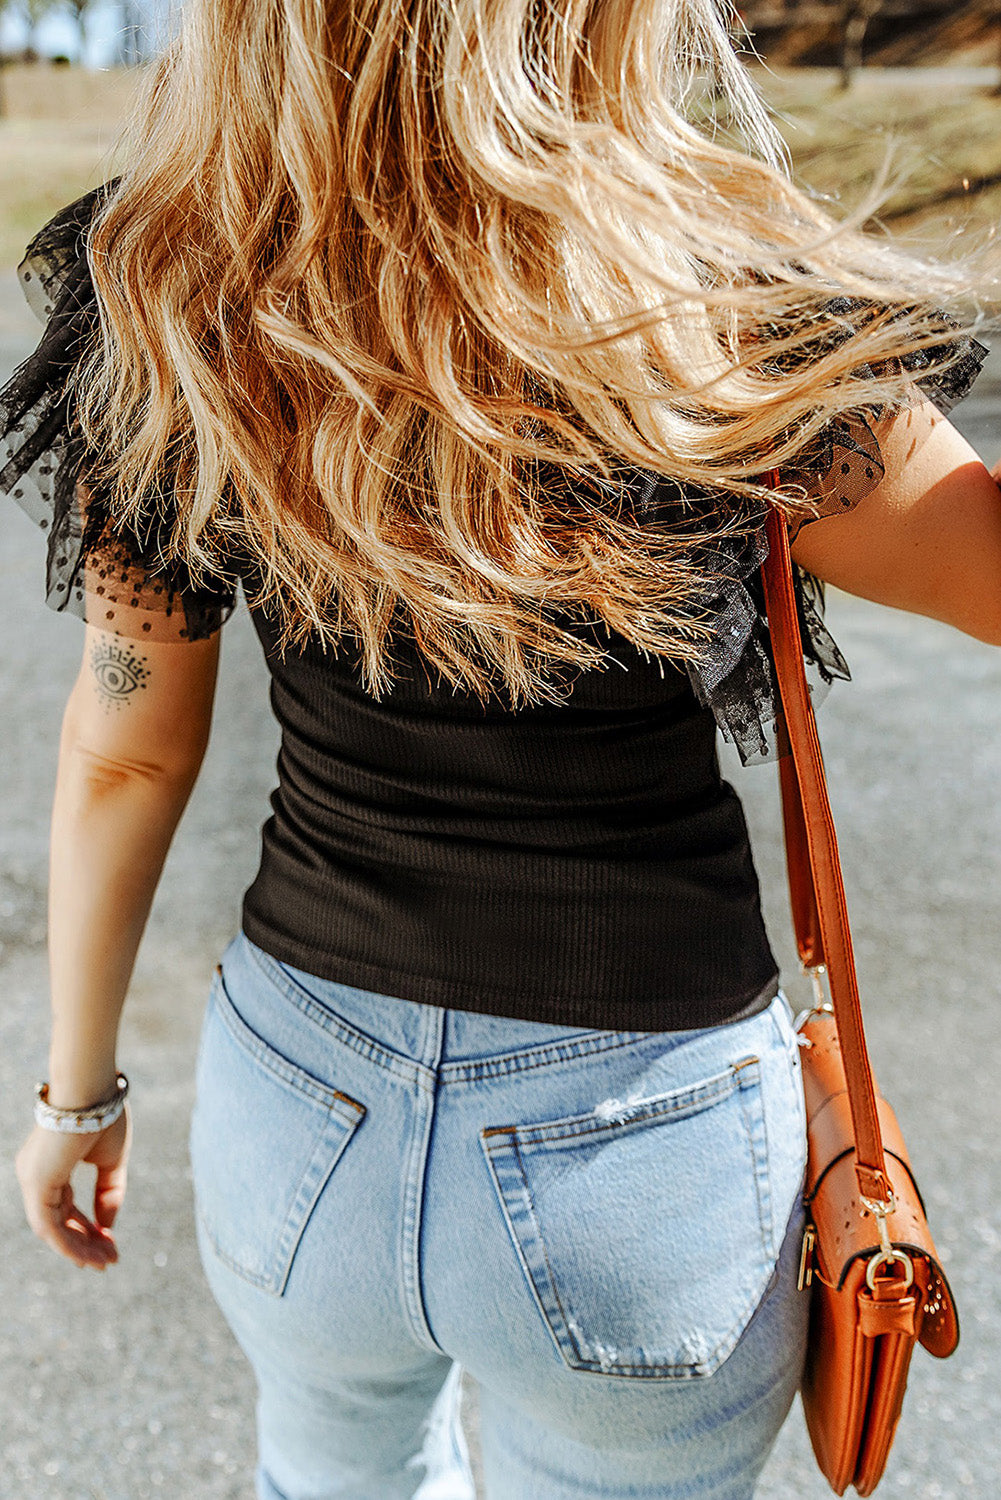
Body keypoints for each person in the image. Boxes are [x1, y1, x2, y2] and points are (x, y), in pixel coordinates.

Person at [3, 1, 1000, 1496]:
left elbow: (125, 751)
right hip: (638, 1139)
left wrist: (76, 1094)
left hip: (299, 1105)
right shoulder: (713, 289)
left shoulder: (168, 276)